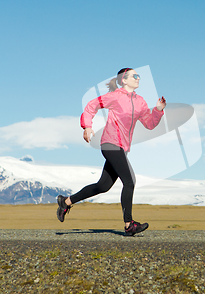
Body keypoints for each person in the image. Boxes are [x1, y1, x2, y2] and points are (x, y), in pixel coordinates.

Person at [56, 67, 166, 236]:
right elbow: (91, 106)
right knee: (129, 181)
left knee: (103, 186)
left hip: (122, 148)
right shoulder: (114, 97)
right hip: (110, 143)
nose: (138, 78)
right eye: (134, 76)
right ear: (124, 80)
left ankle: (66, 202)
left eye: (139, 76)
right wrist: (87, 126)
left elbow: (149, 124)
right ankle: (129, 224)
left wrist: (158, 110)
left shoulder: (140, 102)